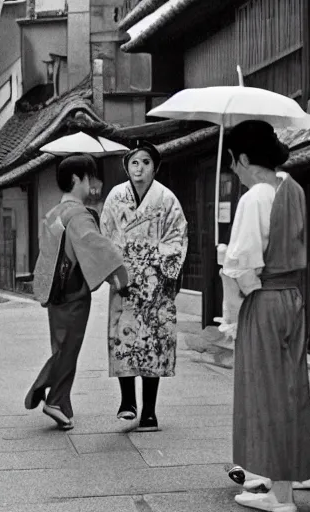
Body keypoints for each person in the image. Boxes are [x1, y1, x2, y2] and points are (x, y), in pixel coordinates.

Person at [220, 120, 310, 512]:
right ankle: (291, 476)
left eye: (233, 164)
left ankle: (281, 495)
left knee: (265, 391)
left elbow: (242, 269)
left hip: (266, 300)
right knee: (291, 390)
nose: (234, 172)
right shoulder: (292, 188)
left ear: (242, 158)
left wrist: (228, 262)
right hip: (293, 297)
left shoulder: (254, 197)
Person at [25, 154, 130, 430]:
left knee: (61, 343)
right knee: (68, 347)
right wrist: (120, 275)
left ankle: (63, 403)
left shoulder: (53, 213)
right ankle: (54, 399)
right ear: (76, 180)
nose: (92, 183)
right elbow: (94, 246)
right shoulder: (78, 215)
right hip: (72, 292)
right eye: (88, 177)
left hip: (54, 289)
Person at [100, 141, 188, 432]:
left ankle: (149, 411)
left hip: (157, 282)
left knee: (155, 343)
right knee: (123, 339)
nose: (140, 169)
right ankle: (128, 402)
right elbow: (106, 236)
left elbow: (177, 237)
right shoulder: (116, 197)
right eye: (134, 163)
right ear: (127, 166)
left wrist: (157, 265)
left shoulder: (167, 199)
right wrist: (116, 273)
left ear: (155, 166)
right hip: (124, 281)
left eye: (146, 162)